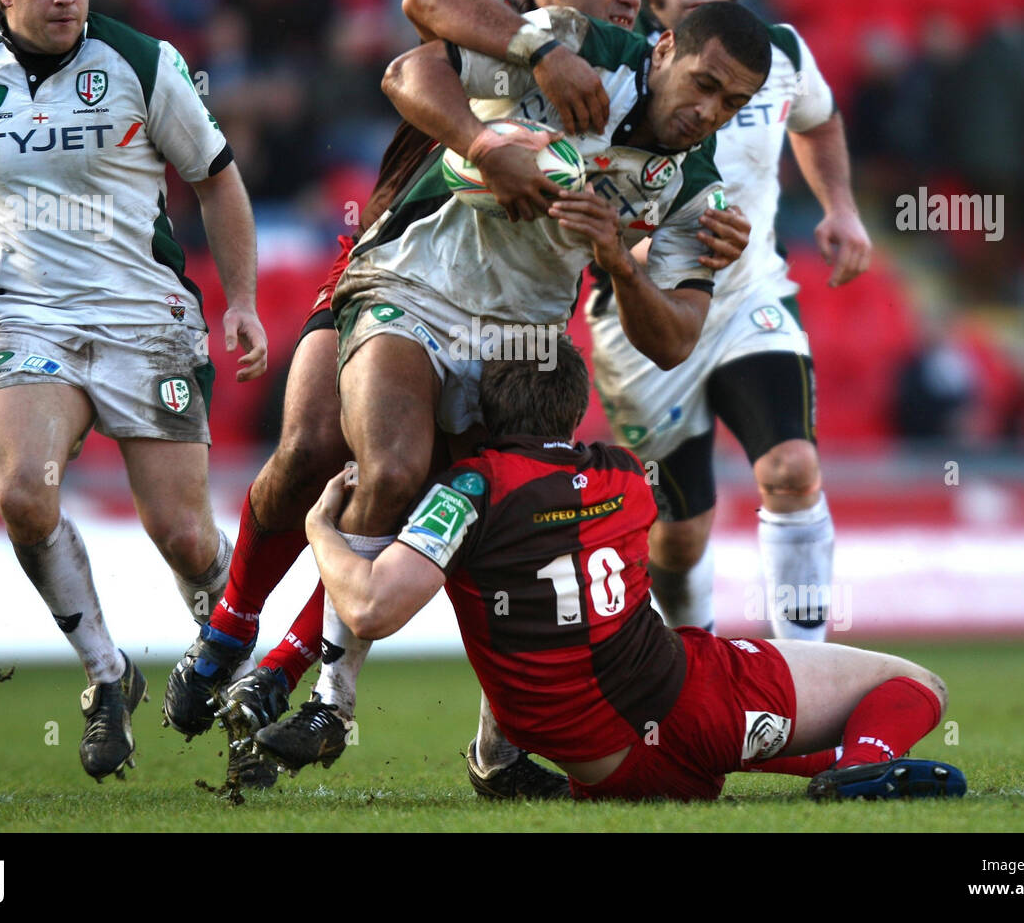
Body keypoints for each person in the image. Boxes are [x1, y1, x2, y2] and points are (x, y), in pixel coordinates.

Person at [166, 0, 745, 795]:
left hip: (517, 339)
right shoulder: (550, 39)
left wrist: (617, 265)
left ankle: (326, 686)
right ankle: (242, 636)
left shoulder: (694, 185)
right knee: (334, 457)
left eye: (731, 102)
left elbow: (672, 336)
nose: (630, 2)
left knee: (471, 511)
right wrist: (502, 116)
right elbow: (417, 27)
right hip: (401, 267)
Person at [267, 339, 965, 802]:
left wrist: (318, 527)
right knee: (914, 683)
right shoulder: (626, 475)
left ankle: (849, 766)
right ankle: (861, 762)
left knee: (531, 621)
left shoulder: (467, 490)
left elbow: (368, 609)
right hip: (693, 708)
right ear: (575, 408)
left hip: (604, 767)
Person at [0, 0, 267, 782]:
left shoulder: (142, 62)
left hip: (148, 318)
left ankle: (238, 682)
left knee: (183, 537)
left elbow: (217, 181)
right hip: (32, 317)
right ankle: (108, 677)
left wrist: (244, 300)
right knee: (25, 493)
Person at [588, 0, 872, 639]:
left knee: (791, 468)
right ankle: (695, 666)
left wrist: (839, 207)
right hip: (642, 316)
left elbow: (820, 119)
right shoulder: (620, 66)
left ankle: (802, 672)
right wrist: (645, 250)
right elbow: (578, 194)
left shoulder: (780, 53)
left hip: (750, 297)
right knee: (679, 538)